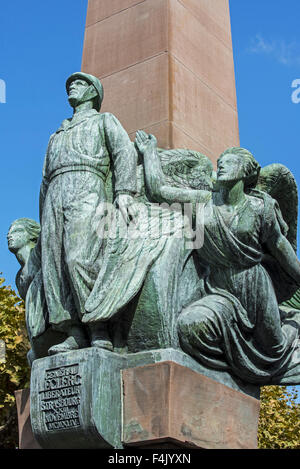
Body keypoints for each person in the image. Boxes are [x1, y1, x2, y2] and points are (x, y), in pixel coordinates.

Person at [135, 130, 300, 385]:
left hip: (254, 289)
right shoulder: (203, 202)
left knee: (275, 351)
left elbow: (280, 247)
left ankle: (291, 327)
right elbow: (158, 191)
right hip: (219, 291)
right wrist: (149, 154)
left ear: (246, 172)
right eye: (220, 161)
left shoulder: (261, 208)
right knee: (189, 327)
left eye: (230, 161)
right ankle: (227, 370)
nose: (221, 164)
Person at [39, 72, 138, 354]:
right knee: (55, 265)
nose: (73, 86)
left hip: (87, 187)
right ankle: (73, 332)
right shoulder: (57, 133)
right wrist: (44, 213)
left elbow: (123, 153)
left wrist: (124, 193)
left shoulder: (104, 121)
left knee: (79, 257)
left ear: (94, 92)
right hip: (55, 194)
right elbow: (44, 180)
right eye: (71, 83)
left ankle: (98, 326)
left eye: (80, 83)